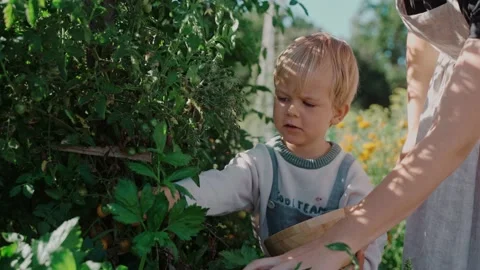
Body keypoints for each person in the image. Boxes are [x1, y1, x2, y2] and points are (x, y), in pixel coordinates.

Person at [244, 0, 480, 269]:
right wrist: (415, 130)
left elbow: (454, 138)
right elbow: (425, 33)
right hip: (445, 118)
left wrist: (336, 244)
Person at [164, 32, 386, 269]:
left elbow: (372, 230)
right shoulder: (263, 162)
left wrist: (362, 265)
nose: (291, 110)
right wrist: (174, 196)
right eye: (282, 98)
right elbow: (220, 186)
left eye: (308, 103)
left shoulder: (348, 175)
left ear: (338, 113)